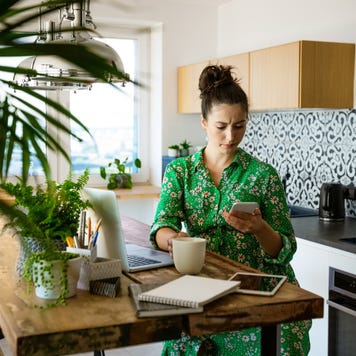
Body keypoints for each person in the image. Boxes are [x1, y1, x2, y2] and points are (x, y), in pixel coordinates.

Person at [149, 65, 311, 355]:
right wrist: (173, 240)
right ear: (203, 122)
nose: (231, 136)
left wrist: (260, 229)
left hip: (257, 288)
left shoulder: (263, 175)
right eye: (221, 126)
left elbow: (285, 249)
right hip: (202, 283)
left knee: (279, 338)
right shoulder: (180, 171)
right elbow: (162, 224)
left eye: (240, 125)